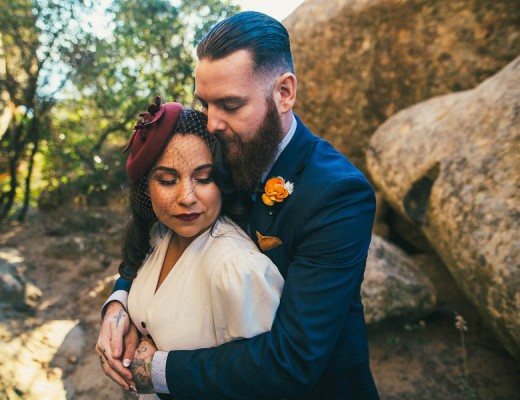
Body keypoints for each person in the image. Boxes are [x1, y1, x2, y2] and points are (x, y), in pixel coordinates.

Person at [97, 11, 379, 399]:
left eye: (229, 105)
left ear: (284, 93)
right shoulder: (220, 150)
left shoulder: (338, 195)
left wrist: (155, 368)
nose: (211, 123)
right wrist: (119, 303)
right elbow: (159, 223)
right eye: (206, 104)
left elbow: (292, 360)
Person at [97, 96, 284, 399]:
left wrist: (154, 369)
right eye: (168, 180)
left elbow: (263, 381)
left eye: (204, 177)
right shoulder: (162, 234)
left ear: (221, 181)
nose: (187, 197)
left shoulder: (236, 268)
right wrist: (117, 310)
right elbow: (135, 284)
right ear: (146, 188)